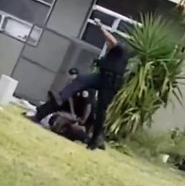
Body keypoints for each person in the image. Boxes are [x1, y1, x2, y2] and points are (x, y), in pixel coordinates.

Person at [33, 19, 130, 150]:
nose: (107, 44)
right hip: (101, 77)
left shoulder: (121, 50)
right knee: (80, 80)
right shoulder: (112, 55)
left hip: (110, 84)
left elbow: (112, 40)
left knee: (101, 112)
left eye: (108, 43)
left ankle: (95, 140)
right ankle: (57, 101)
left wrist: (100, 26)